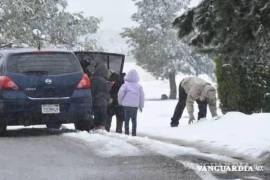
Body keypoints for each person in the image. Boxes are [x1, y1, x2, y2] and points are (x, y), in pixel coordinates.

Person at [118, 69, 145, 136]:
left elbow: (120, 94)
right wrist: (141, 106)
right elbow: (142, 96)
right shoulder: (139, 86)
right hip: (134, 106)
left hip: (126, 105)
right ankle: (134, 133)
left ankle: (126, 132)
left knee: (126, 120)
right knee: (134, 120)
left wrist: (120, 102)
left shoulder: (125, 85)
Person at [92, 63, 112, 129]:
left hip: (95, 101)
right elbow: (107, 91)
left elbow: (92, 91)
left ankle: (95, 128)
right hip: (103, 102)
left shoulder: (93, 79)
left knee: (96, 117)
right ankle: (101, 130)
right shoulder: (104, 81)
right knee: (102, 118)